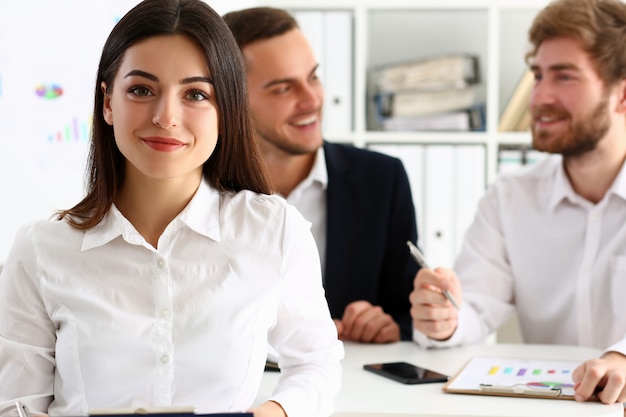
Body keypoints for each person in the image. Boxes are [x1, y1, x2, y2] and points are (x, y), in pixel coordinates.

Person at [0, 1, 343, 416]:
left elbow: (316, 364)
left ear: (226, 111)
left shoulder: (275, 230)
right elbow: (17, 405)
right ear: (108, 103)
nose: (166, 117)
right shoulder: (41, 249)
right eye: (142, 90)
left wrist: (271, 413)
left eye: (196, 94)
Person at [410, 0, 626, 405]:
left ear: (621, 96)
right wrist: (445, 319)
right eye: (538, 75)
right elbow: (474, 307)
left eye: (565, 77)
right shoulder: (509, 198)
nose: (539, 96)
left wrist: (621, 356)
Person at [223, 7, 419, 344]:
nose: (311, 99)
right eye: (283, 88)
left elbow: (409, 315)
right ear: (232, 100)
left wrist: (388, 326)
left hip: (346, 385)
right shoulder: (197, 190)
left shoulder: (381, 180)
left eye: (313, 77)